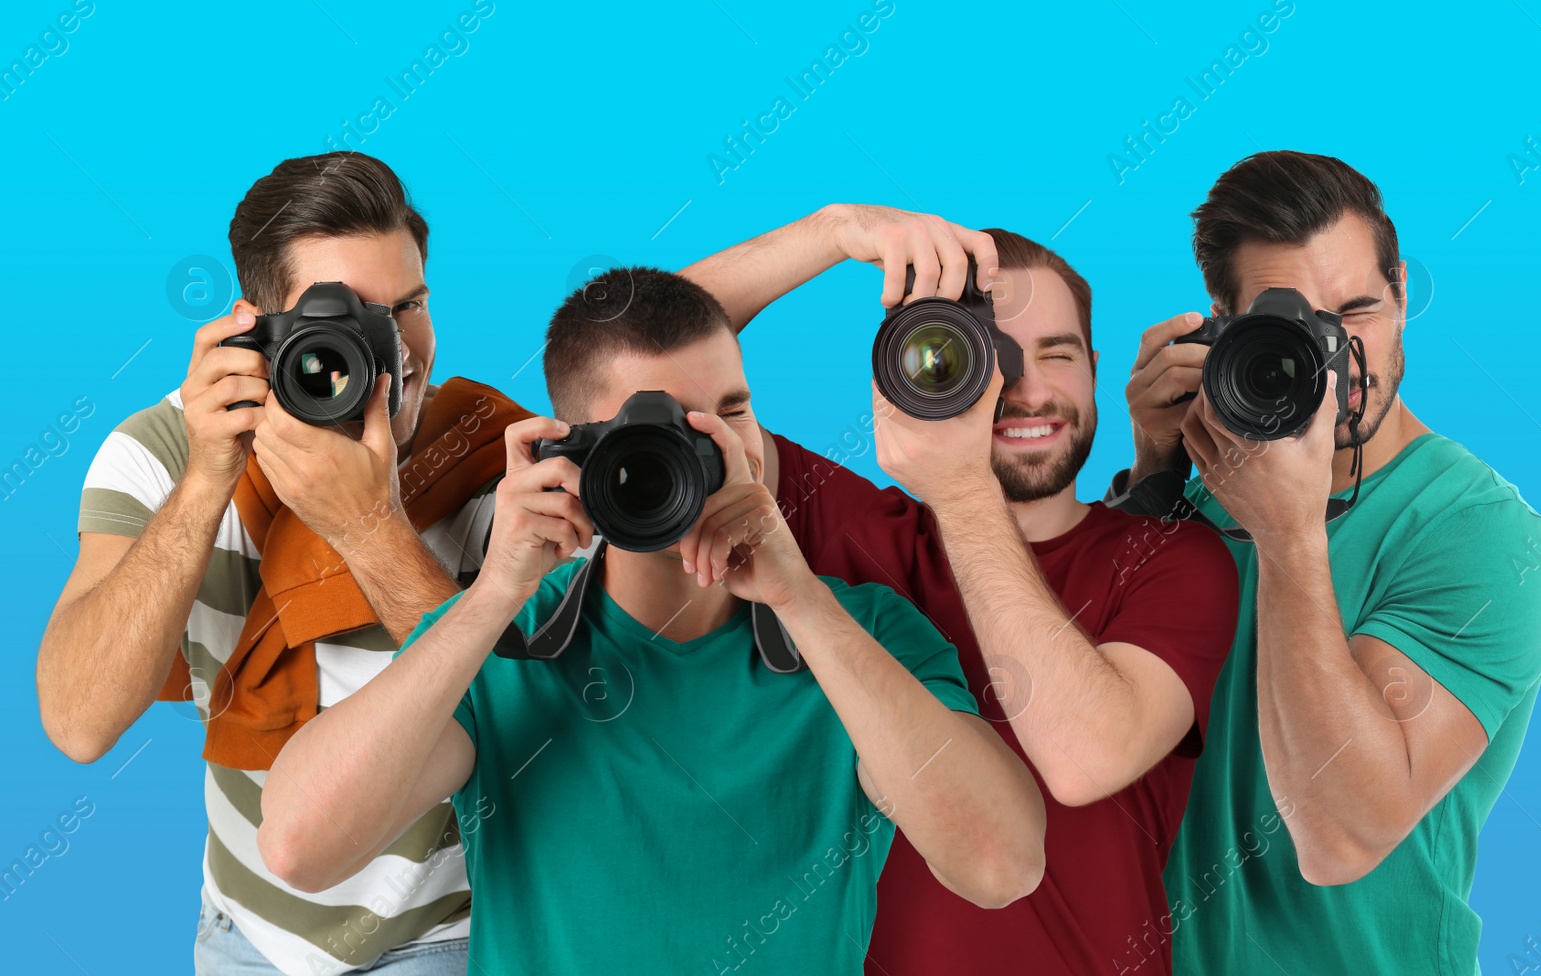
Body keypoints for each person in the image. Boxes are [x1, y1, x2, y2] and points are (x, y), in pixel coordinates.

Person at [258, 268, 1048, 974]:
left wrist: (800, 598)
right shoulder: (505, 644)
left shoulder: (862, 632)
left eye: (730, 413)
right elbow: (299, 845)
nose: (710, 456)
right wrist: (496, 590)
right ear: (576, 456)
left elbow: (1001, 865)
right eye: (661, 432)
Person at [681, 206, 1241, 974]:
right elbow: (638, 375)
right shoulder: (858, 533)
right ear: (919, 375)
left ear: (1096, 369)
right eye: (990, 357)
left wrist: (962, 491)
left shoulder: (1172, 559)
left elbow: (1084, 760)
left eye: (1059, 354)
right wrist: (835, 232)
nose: (1029, 389)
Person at [37, 151, 530, 975]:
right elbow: (80, 723)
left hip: (447, 930)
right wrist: (205, 483)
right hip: (241, 934)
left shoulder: (484, 454)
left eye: (409, 307)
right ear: (254, 328)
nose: (394, 354)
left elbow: (532, 719)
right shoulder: (162, 452)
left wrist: (371, 527)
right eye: (349, 317)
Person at [1117, 150, 1541, 973]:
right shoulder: (1196, 477)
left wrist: (1289, 536)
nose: (1335, 359)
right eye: (1293, 328)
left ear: (1402, 294)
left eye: (1356, 310)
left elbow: (1340, 836)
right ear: (1223, 322)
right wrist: (1152, 474)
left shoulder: (1483, 538)